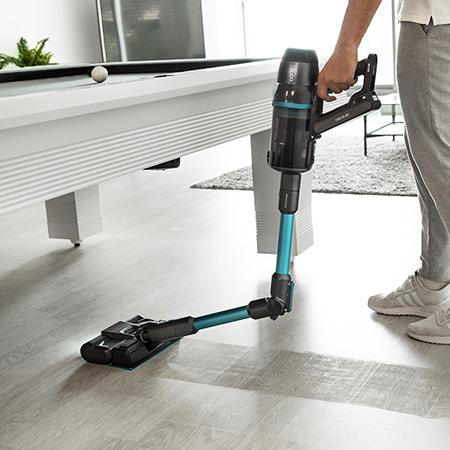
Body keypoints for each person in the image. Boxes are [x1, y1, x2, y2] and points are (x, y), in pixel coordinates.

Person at [317, 0, 450, 344]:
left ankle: (433, 280)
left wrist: (346, 47)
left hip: (435, 22)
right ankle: (433, 282)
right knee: (431, 154)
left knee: (435, 152)